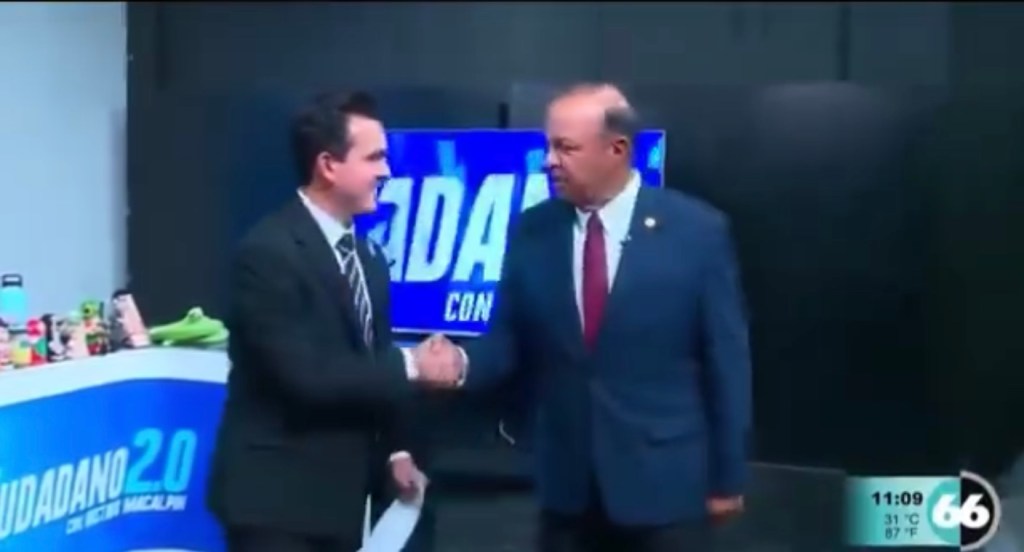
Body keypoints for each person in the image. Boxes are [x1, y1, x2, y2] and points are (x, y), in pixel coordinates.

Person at [417, 84, 752, 551]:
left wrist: (728, 476)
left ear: (617, 149)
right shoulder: (534, 229)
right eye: (548, 146)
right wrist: (460, 364)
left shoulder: (697, 232)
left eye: (565, 147)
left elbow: (727, 362)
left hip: (666, 490)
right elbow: (506, 339)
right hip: (567, 492)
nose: (549, 161)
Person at [207, 91, 432, 552]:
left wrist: (397, 450)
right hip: (276, 507)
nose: (386, 172)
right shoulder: (268, 253)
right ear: (328, 165)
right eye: (374, 158)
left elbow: (373, 362)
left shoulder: (369, 259)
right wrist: (414, 365)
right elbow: (306, 377)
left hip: (341, 506)